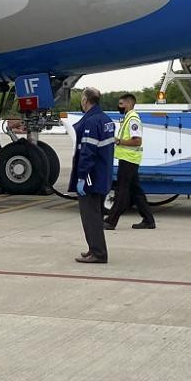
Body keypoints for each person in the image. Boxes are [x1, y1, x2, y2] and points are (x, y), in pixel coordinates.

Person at [70, 87, 115, 264]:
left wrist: (81, 176)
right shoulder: (106, 120)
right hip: (102, 175)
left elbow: (87, 152)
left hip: (91, 177)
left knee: (91, 217)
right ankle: (93, 249)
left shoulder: (91, 122)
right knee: (94, 215)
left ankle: (98, 253)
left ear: (86, 100)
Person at [105, 93, 155, 230]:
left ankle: (111, 220)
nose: (119, 106)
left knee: (122, 191)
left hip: (129, 159)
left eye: (121, 104)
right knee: (136, 191)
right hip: (128, 159)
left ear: (128, 104)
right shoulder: (128, 118)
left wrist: (118, 141)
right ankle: (148, 220)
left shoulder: (133, 119)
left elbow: (137, 141)